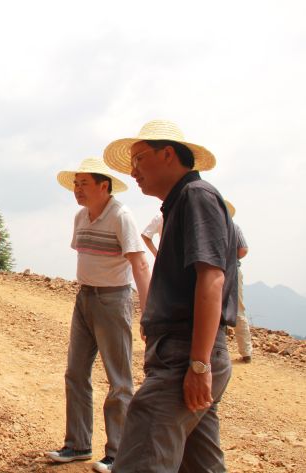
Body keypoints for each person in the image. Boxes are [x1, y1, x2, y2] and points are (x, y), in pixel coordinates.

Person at [103, 119, 237, 472]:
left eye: (139, 159)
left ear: (167, 154)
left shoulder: (196, 196)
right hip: (185, 352)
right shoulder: (182, 202)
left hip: (184, 355)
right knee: (199, 462)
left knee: (141, 459)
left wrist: (198, 364)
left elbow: (211, 279)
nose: (133, 171)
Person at [46, 158, 151, 473]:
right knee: (75, 373)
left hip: (112, 300)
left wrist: (147, 311)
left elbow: (140, 263)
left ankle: (119, 454)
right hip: (84, 298)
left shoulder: (121, 216)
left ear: (104, 186)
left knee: (119, 381)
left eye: (83, 184)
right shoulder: (81, 216)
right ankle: (77, 445)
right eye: (75, 184)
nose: (77, 190)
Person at [225, 200, 253, 363]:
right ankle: (246, 351)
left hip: (210, 271)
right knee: (238, 309)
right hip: (233, 270)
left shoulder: (209, 227)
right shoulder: (234, 227)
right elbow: (243, 250)